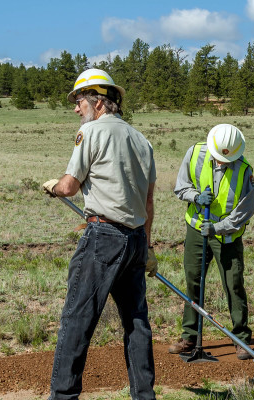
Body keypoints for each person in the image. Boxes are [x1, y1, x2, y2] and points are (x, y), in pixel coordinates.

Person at [41, 68, 158, 399]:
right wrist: (147, 248)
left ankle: (62, 397)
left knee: (76, 321)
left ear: (98, 101)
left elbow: (69, 186)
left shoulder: (90, 133)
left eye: (79, 100)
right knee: (137, 325)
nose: (76, 108)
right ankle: (144, 396)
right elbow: (148, 203)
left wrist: (53, 187)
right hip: (135, 241)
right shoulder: (142, 141)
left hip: (103, 239)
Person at [170, 123, 254, 360]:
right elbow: (180, 188)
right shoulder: (195, 153)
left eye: (227, 160)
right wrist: (196, 197)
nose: (222, 163)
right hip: (196, 230)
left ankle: (241, 339)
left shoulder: (244, 169)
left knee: (233, 284)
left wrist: (218, 227)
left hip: (227, 237)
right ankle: (189, 337)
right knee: (193, 281)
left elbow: (245, 210)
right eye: (219, 158)